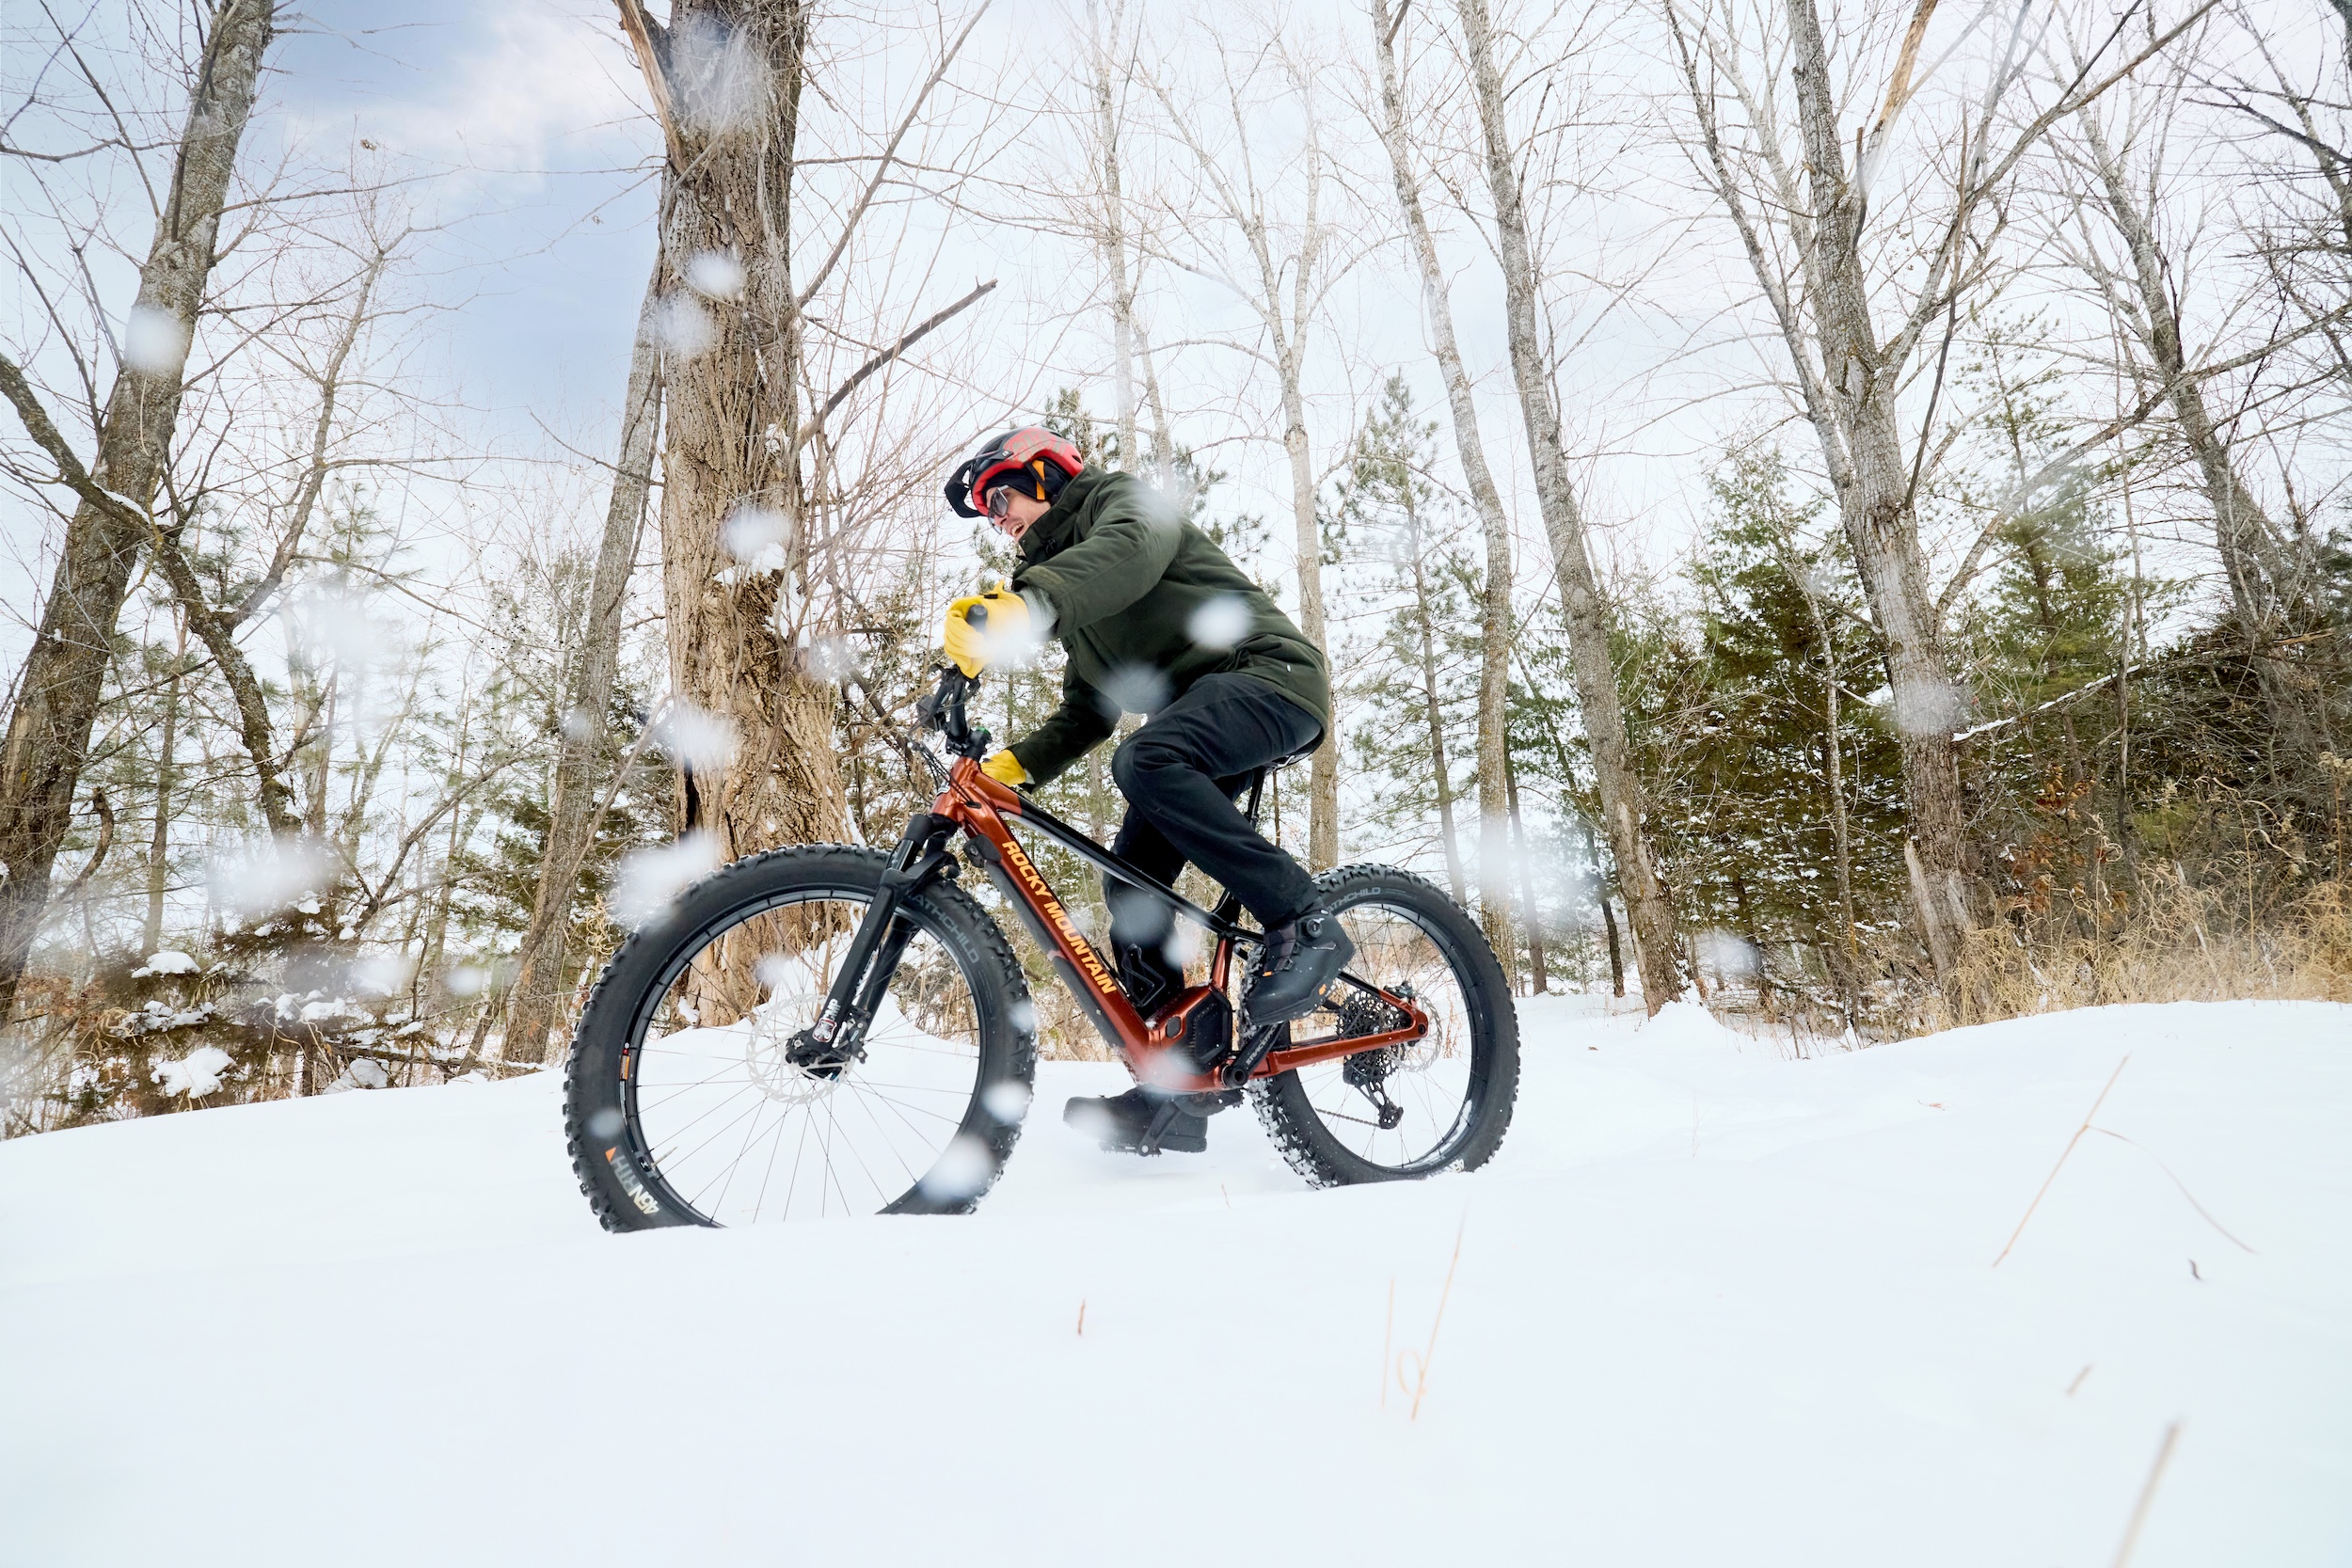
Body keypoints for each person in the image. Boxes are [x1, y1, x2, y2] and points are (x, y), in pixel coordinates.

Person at [941, 426, 1352, 1154]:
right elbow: (1088, 709)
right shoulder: (1080, 594)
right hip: (1203, 717)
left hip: (1271, 676)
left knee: (1146, 759)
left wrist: (1028, 604)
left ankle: (1304, 918)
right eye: (985, 510)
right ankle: (1177, 1086)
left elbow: (1125, 555)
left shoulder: (1117, 505)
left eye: (999, 496)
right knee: (1130, 886)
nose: (996, 517)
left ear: (1046, 473)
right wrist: (1016, 765)